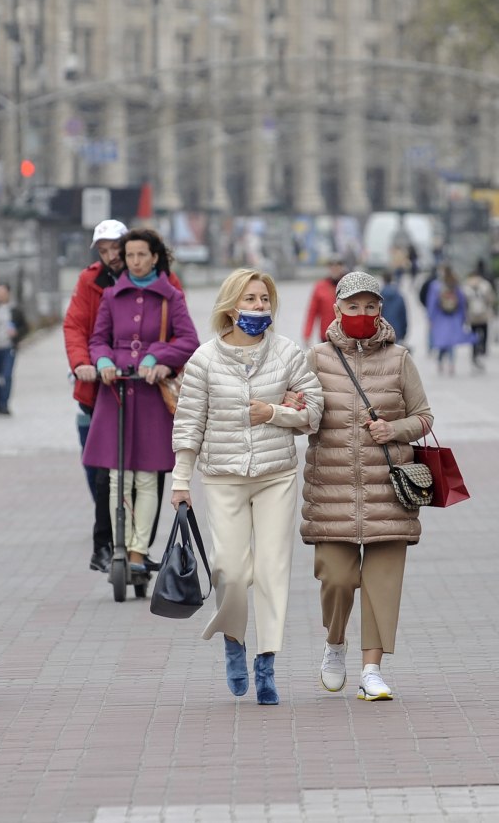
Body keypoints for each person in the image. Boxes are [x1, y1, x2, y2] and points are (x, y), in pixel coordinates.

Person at [171, 269, 323, 705]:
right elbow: (188, 424)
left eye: (264, 299)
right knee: (231, 571)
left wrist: (274, 413)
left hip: (277, 475)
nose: (258, 307)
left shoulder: (288, 353)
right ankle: (233, 640)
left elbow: (315, 410)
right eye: (249, 299)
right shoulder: (203, 360)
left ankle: (266, 661)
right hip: (223, 477)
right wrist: (181, 480)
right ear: (230, 306)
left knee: (273, 570)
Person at [302, 271, 434, 701]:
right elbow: (302, 413)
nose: (362, 314)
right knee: (337, 579)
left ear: (380, 310)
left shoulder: (399, 358)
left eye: (370, 306)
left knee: (382, 585)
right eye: (353, 306)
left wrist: (394, 429)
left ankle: (372, 669)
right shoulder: (317, 358)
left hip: (390, 492)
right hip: (332, 493)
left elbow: (424, 416)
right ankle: (335, 644)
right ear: (337, 308)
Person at [62, 220, 183, 573]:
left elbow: (181, 333)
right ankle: (106, 545)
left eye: (121, 249)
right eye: (106, 251)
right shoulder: (93, 282)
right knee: (106, 470)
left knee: (149, 471)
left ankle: (139, 549)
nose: (116, 257)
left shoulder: (165, 284)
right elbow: (77, 326)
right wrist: (86, 362)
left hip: (147, 388)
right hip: (102, 385)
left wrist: (160, 360)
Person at [0, 282, 27, 415]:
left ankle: (5, 404)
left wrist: (17, 333)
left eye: (2, 292)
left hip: (9, 349)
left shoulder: (15, 310)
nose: (0, 295)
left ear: (8, 293)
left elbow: (25, 327)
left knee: (7, 376)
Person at [425, 265, 473, 375]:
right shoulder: (455, 284)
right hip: (454, 317)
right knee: (451, 342)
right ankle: (451, 364)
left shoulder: (436, 285)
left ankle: (440, 362)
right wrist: (463, 318)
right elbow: (462, 302)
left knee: (442, 341)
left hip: (440, 318)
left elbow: (432, 303)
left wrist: (430, 318)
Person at [302, 257, 344, 345]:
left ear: (341, 267)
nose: (335, 269)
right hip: (326, 334)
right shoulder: (320, 287)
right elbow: (312, 312)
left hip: (345, 334)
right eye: (332, 266)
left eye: (338, 266)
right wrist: (307, 334)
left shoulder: (348, 285)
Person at [463, 261, 496, 370]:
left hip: (477, 316)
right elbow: (491, 299)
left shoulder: (469, 286)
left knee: (479, 333)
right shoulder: (482, 285)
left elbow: (464, 303)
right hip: (478, 315)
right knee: (480, 333)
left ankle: (478, 351)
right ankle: (479, 351)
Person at [380, 271, 408, 345]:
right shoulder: (399, 296)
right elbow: (403, 315)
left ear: (383, 279)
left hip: (383, 331)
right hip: (397, 331)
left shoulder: (379, 297)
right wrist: (404, 332)